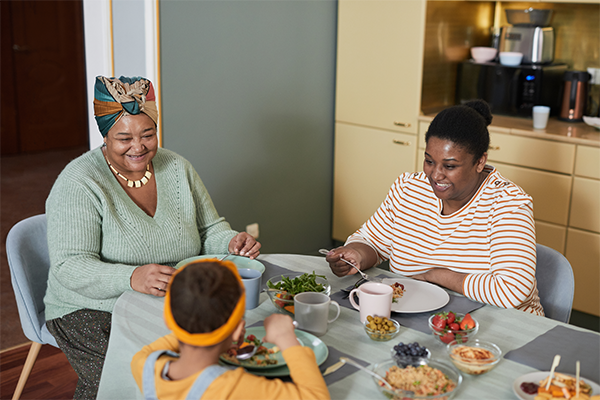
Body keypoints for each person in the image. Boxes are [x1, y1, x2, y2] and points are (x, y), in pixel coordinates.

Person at [44, 75, 261, 399]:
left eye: (148, 134)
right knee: (129, 378)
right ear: (105, 136)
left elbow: (209, 230)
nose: (138, 146)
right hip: (90, 307)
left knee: (211, 366)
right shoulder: (79, 181)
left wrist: (231, 242)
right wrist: (132, 276)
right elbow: (69, 267)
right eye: (124, 138)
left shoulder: (177, 167)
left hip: (169, 296)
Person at [324, 100, 543, 316]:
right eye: (429, 161)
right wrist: (356, 254)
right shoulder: (409, 189)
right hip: (425, 320)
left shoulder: (507, 204)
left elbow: (512, 291)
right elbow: (372, 241)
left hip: (504, 327)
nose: (436, 175)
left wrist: (436, 275)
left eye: (450, 166)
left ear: (479, 162)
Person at [131, 259, 330, 400]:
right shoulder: (235, 389)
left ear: (168, 319)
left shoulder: (142, 364)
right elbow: (316, 397)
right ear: (238, 331)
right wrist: (287, 338)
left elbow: (170, 340)